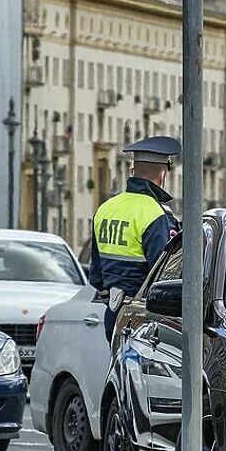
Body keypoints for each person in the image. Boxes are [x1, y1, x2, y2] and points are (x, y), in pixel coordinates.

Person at [89, 136, 181, 342]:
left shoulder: (105, 208)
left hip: (113, 314)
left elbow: (95, 275)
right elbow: (165, 276)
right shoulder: (156, 215)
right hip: (144, 319)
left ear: (133, 171)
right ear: (163, 174)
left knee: (118, 372)